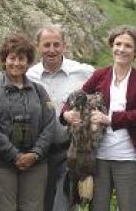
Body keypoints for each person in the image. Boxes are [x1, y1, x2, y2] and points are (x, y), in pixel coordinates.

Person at [62, 25, 136, 211]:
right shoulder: (100, 75)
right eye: (117, 44)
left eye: (128, 45)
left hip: (129, 158)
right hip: (98, 158)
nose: (121, 49)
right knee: (98, 207)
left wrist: (110, 119)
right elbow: (75, 97)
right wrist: (66, 114)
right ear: (112, 46)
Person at [0, 33, 56, 211]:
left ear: (28, 62)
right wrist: (14, 155)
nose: (16, 63)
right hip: (1, 164)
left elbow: (49, 124)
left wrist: (35, 153)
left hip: (36, 164)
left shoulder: (39, 90)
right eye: (12, 58)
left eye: (22, 58)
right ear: (4, 60)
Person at [26, 26, 94, 211]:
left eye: (56, 44)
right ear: (38, 46)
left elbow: (105, 94)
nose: (52, 49)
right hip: (39, 153)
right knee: (39, 203)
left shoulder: (84, 72)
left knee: (65, 203)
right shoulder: (28, 75)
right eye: (46, 45)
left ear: (64, 45)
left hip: (69, 150)